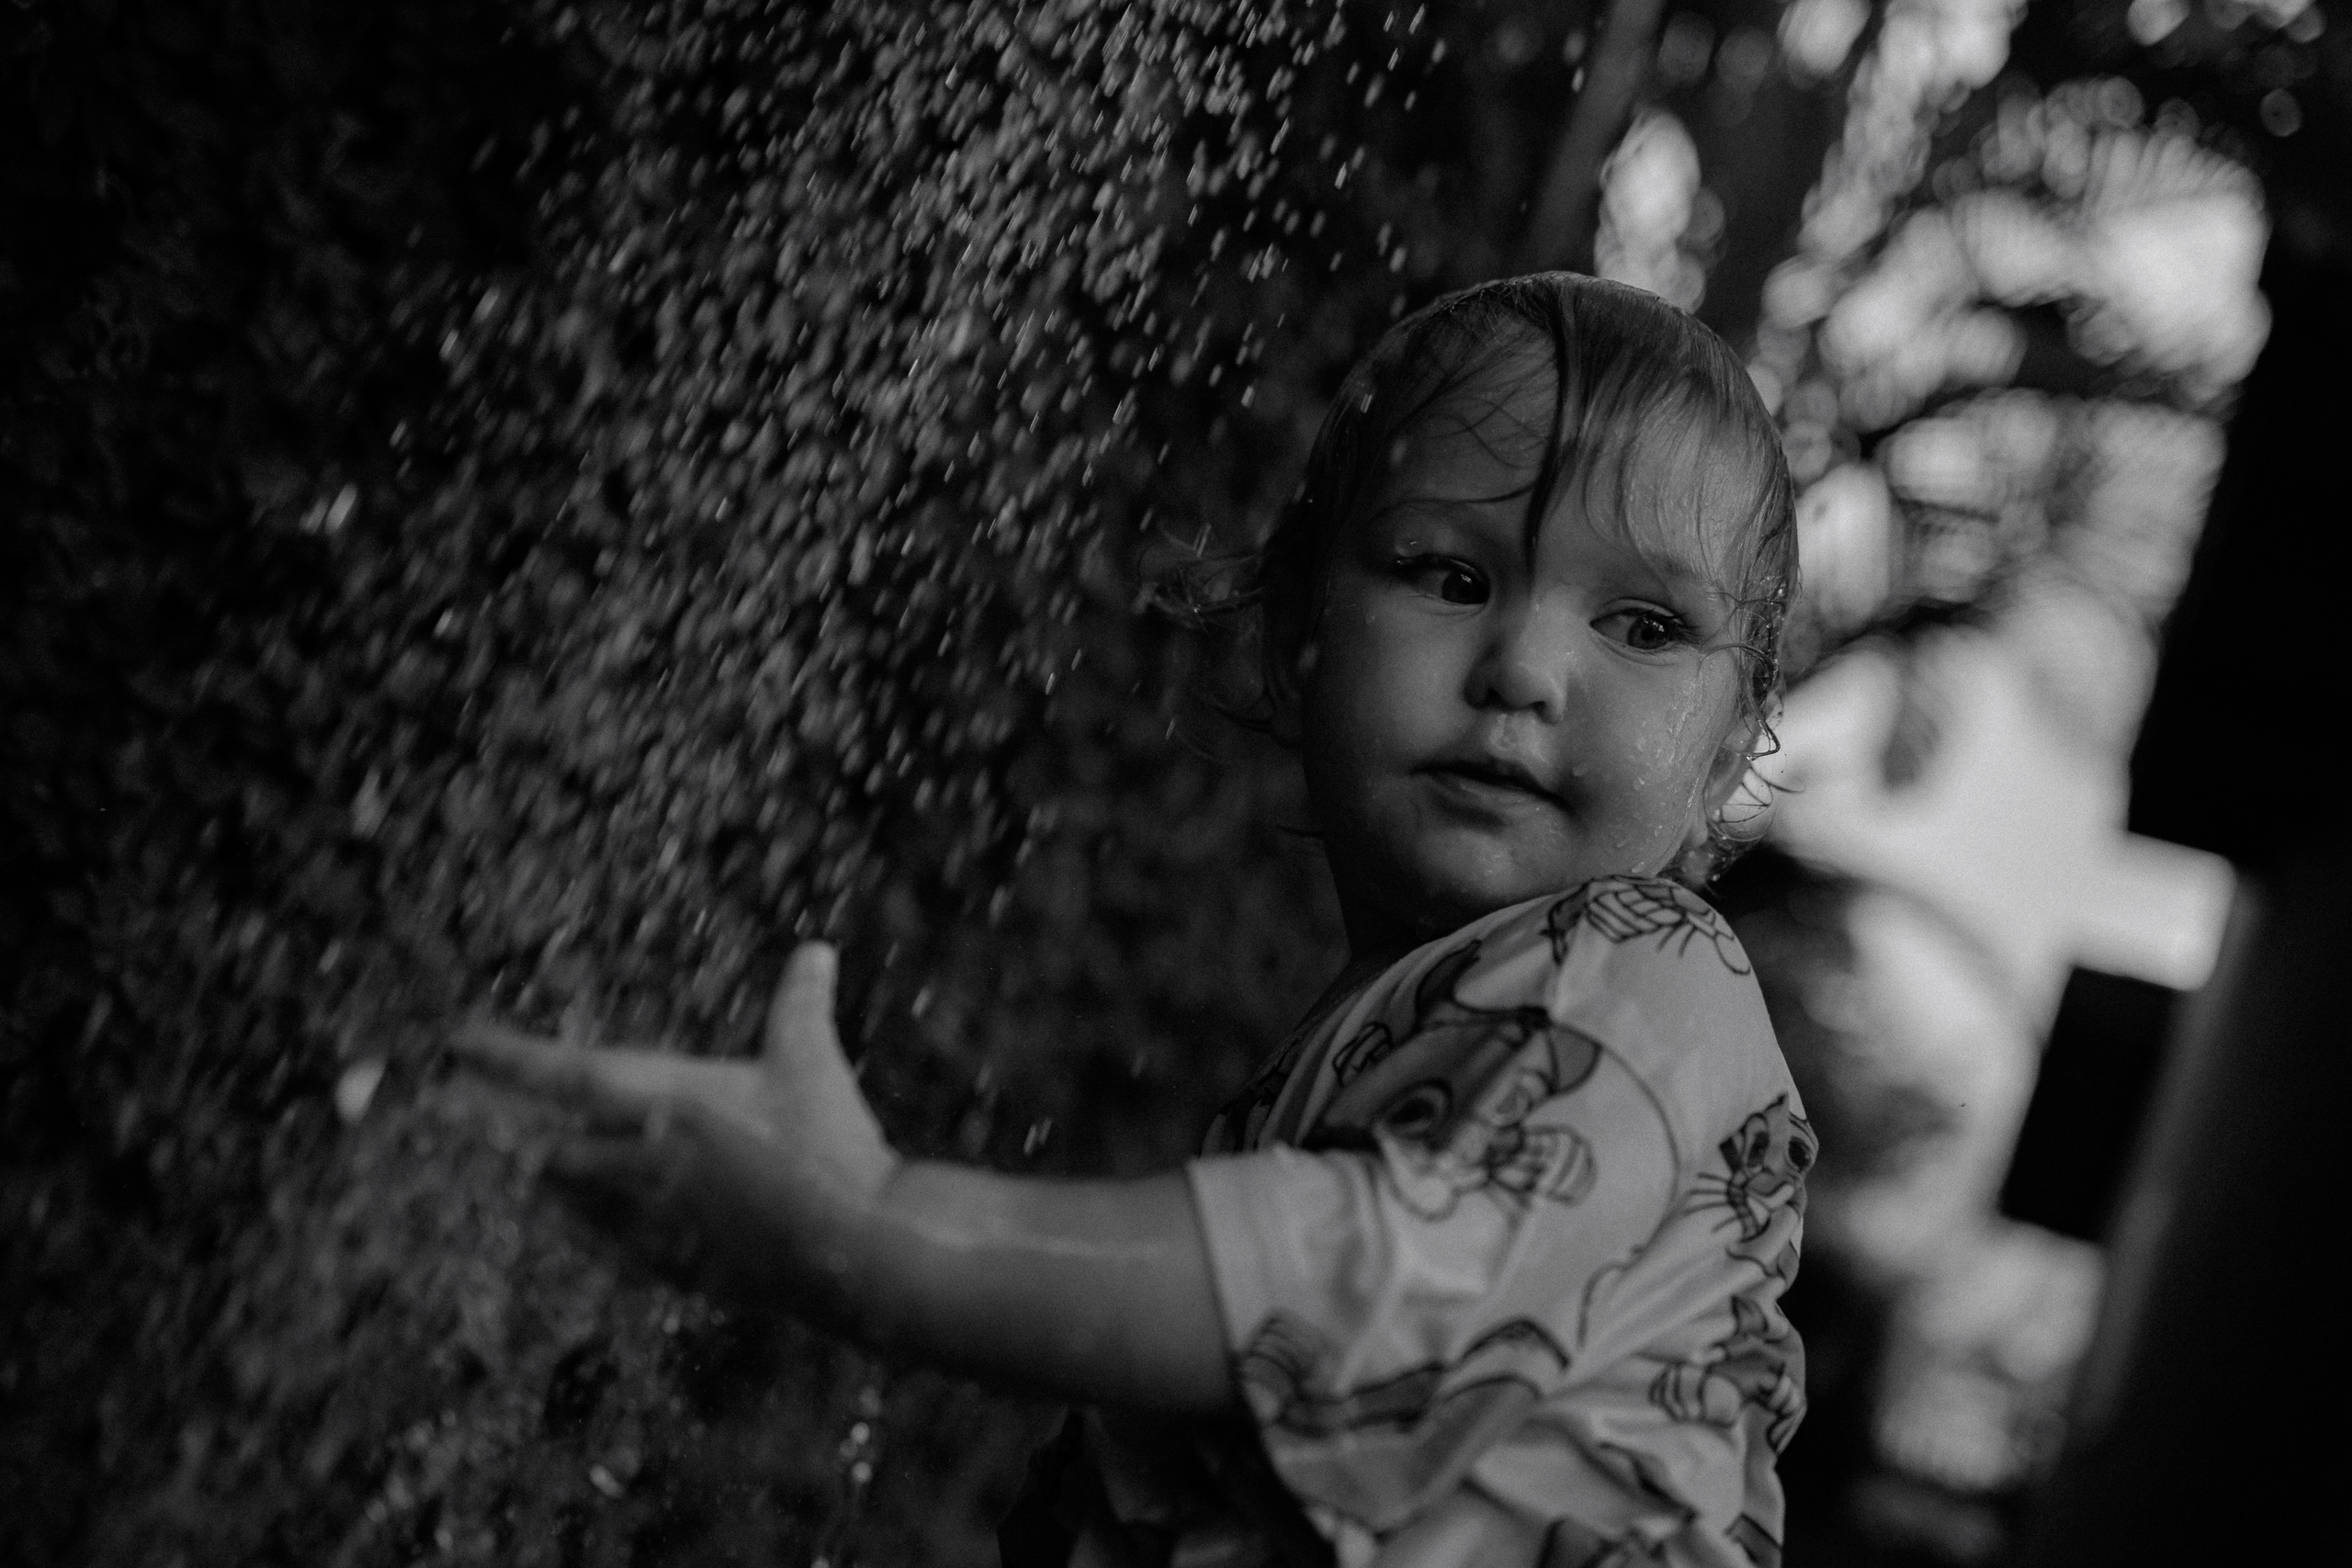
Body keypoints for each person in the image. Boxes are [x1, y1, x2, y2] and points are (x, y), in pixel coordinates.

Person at [457, 274, 1815, 1568]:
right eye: (1449, 577)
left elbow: (1360, 1291)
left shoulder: (1655, 981)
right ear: (1298, 636)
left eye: (1642, 624)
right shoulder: (1401, 1033)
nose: (1524, 666)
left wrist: (875, 1230)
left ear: (1724, 752)